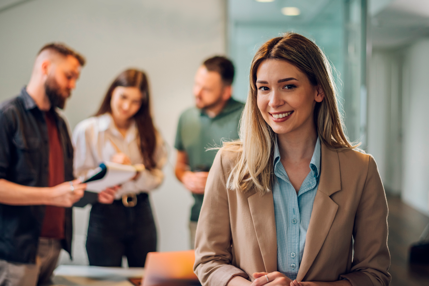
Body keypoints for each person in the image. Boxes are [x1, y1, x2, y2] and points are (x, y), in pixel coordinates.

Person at [194, 33, 391, 286]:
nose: (274, 101)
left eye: (288, 86)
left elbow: (374, 274)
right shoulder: (229, 163)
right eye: (264, 88)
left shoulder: (361, 170)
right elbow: (208, 261)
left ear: (318, 90)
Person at [0, 43, 116, 286]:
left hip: (55, 246)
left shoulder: (61, 124)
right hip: (17, 250)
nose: (72, 85)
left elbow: (62, 186)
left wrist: (94, 194)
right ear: (45, 67)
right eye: (69, 76)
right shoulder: (7, 115)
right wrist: (51, 195)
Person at [73, 68, 167, 267]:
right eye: (123, 97)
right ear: (112, 92)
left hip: (141, 210)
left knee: (145, 277)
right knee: (104, 280)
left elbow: (157, 177)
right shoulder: (88, 130)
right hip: (105, 212)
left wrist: (133, 174)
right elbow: (78, 176)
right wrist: (108, 170)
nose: (127, 106)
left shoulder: (149, 132)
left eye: (136, 101)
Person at [174, 56, 244, 248]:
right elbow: (179, 166)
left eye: (206, 89)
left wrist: (219, 181)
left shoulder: (248, 116)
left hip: (240, 220)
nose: (197, 92)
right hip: (199, 217)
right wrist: (186, 177)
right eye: (197, 84)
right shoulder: (186, 118)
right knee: (199, 277)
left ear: (226, 92)